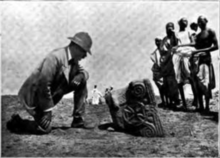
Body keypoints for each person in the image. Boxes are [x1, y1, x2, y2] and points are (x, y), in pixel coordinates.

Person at [18, 32, 93, 134]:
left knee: (82, 80)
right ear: (76, 47)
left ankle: (78, 120)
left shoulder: (73, 61)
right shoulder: (55, 57)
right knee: (46, 129)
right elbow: (43, 83)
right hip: (34, 98)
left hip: (50, 94)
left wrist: (80, 76)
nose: (85, 56)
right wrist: (47, 110)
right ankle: (17, 123)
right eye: (84, 52)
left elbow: (84, 72)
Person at [176, 15, 218, 111]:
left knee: (205, 83)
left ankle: (207, 106)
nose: (200, 23)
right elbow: (194, 44)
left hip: (206, 60)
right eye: (198, 22)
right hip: (198, 61)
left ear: (206, 21)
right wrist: (181, 45)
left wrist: (202, 51)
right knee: (198, 82)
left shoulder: (211, 32)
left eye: (201, 21)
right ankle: (201, 106)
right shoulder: (198, 35)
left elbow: (216, 46)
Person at [159, 22, 180, 109]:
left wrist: (174, 34)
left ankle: (176, 100)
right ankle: (170, 101)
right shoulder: (164, 39)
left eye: (171, 27)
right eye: (168, 27)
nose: (169, 28)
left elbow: (176, 46)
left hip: (174, 61)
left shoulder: (175, 37)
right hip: (166, 62)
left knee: (174, 82)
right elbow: (161, 50)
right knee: (166, 82)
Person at [150, 38, 166, 107]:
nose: (157, 42)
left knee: (166, 86)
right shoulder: (155, 53)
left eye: (158, 41)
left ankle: (168, 102)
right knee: (160, 87)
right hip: (157, 71)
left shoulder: (164, 50)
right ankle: (163, 101)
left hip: (164, 70)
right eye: (156, 41)